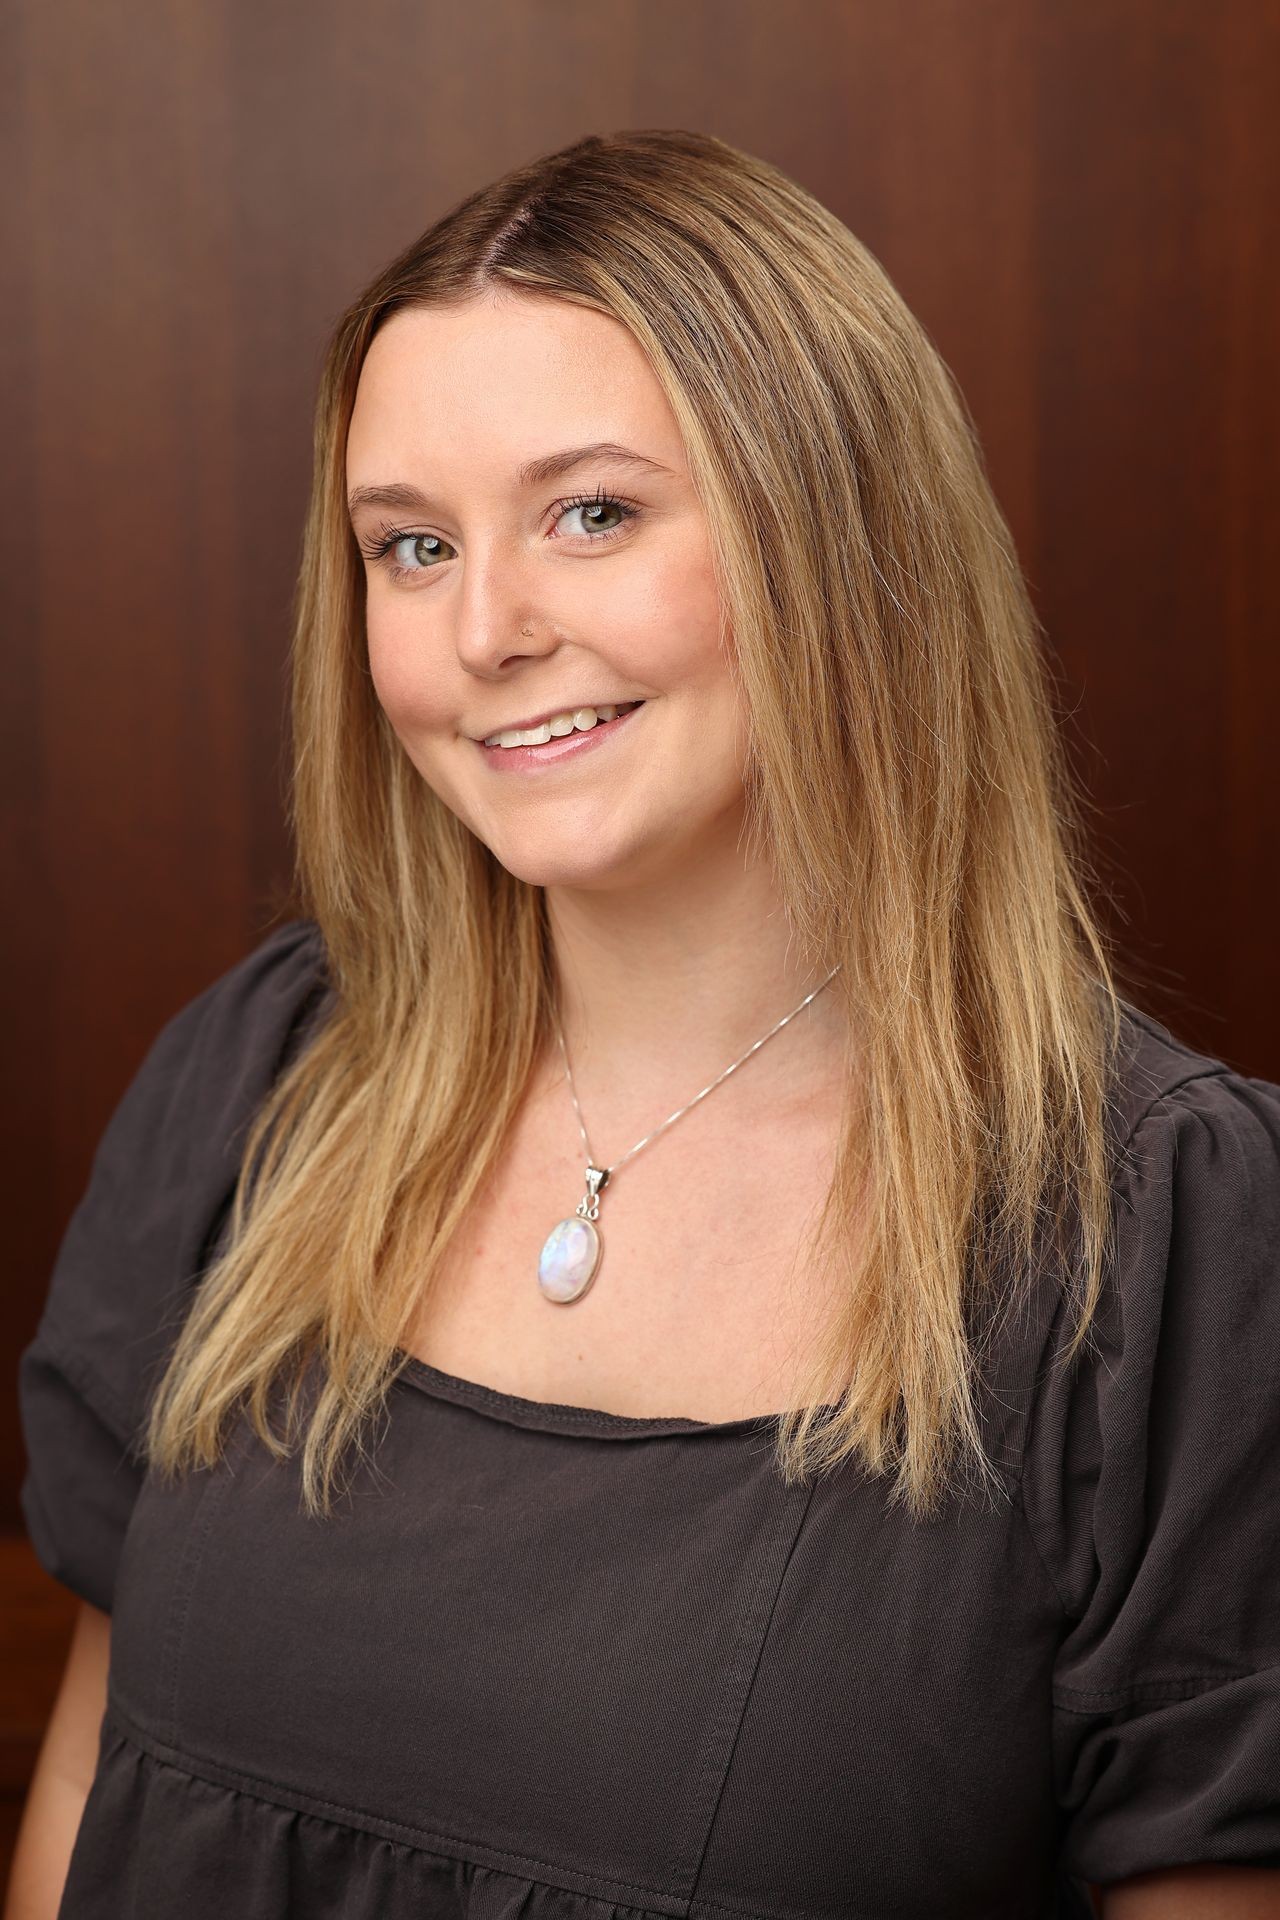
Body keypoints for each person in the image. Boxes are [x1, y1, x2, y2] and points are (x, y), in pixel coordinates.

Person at [9, 129, 1280, 1920]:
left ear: (836, 535)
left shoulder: (1164, 1236)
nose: (486, 632)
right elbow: (85, 1789)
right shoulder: (261, 1080)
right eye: (413, 545)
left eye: (591, 512)